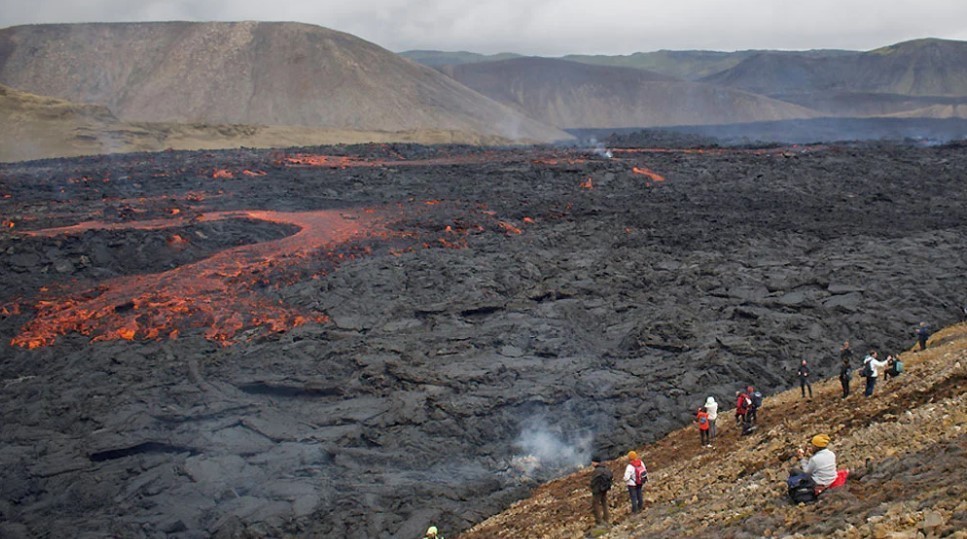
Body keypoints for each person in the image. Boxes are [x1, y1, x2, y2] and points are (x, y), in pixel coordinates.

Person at [589, 455, 613, 526]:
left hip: (597, 490)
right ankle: (606, 518)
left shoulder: (596, 471)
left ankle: (599, 521)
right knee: (604, 503)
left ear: (595, 462)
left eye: (592, 462)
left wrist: (592, 488)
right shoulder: (605, 469)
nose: (591, 463)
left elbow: (593, 482)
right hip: (605, 489)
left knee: (595, 504)